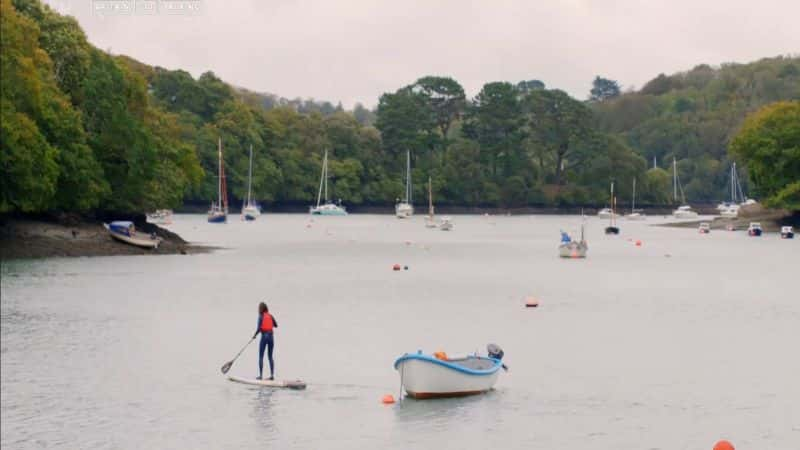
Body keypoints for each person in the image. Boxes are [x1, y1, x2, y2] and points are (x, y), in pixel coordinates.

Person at [253, 302, 278, 380]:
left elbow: (259, 328)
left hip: (264, 337)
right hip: (271, 337)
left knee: (261, 356)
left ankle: (260, 376)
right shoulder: (270, 316)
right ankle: (272, 375)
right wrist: (270, 323)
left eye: (259, 308)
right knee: (270, 356)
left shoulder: (260, 316)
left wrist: (254, 335)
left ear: (261, 309)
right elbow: (276, 325)